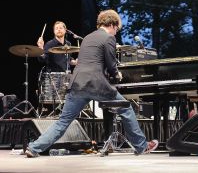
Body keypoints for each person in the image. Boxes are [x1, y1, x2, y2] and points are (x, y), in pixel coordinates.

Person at [25, 9, 158, 158]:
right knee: (126, 109)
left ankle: (33, 147)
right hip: (96, 84)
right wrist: (117, 75)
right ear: (113, 25)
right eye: (117, 29)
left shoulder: (87, 38)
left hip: (76, 83)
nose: (116, 32)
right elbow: (111, 64)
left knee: (62, 122)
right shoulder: (108, 38)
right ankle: (141, 146)